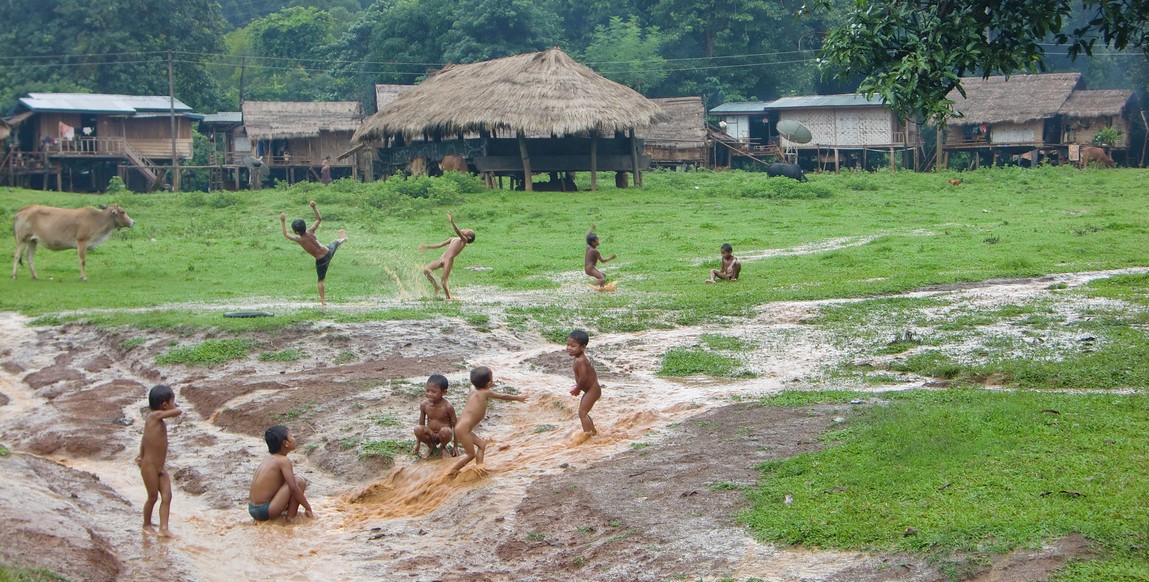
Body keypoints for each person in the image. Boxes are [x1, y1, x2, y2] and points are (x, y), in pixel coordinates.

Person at [448, 366, 527, 478]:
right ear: (489, 382)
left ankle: (480, 468)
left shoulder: (472, 388)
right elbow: (503, 396)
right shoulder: (486, 392)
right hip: (463, 430)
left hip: (463, 428)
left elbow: (473, 385)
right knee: (470, 454)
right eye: (491, 379)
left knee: (482, 444)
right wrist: (518, 398)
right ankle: (452, 471)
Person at [280, 200, 347, 306]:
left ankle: (323, 301)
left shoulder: (299, 240)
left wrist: (283, 220)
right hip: (327, 251)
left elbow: (285, 234)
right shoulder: (310, 231)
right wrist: (314, 207)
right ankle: (343, 239)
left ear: (296, 231)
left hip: (321, 260)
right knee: (335, 243)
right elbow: (319, 219)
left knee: (320, 281)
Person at [137, 384, 182, 537]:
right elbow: (178, 411)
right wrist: (176, 407)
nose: (174, 404)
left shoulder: (157, 422)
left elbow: (145, 439)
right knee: (152, 497)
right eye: (172, 401)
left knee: (167, 496)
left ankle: (163, 528)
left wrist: (140, 454)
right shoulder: (153, 417)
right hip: (149, 467)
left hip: (160, 468)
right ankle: (147, 524)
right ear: (164, 405)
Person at [249, 425, 314, 523]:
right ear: (285, 443)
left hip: (252, 509)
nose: (294, 438)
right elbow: (294, 488)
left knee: (290, 480)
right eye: (291, 436)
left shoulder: (268, 459)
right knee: (299, 481)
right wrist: (308, 508)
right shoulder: (283, 460)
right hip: (265, 510)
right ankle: (290, 519)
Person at [418, 212, 475, 300]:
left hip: (449, 260)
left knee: (444, 279)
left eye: (467, 229)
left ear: (469, 237)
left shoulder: (464, 240)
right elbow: (440, 244)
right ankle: (436, 287)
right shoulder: (453, 239)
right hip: (442, 258)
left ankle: (449, 298)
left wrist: (452, 222)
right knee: (426, 270)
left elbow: (458, 232)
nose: (465, 228)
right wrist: (426, 246)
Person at [412, 374, 458, 458]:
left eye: (433, 391)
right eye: (427, 390)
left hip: (444, 435)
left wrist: (455, 446)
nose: (429, 394)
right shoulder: (424, 405)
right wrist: (417, 444)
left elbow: (455, 426)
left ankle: (443, 447)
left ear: (444, 392)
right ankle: (431, 446)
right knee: (418, 429)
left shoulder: (447, 407)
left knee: (446, 431)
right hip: (430, 434)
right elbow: (421, 424)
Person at [566, 330, 602, 436]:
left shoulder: (580, 361)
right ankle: (593, 433)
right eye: (568, 345)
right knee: (584, 412)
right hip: (591, 389)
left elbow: (583, 378)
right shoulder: (579, 358)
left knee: (582, 413)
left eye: (573, 346)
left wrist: (577, 388)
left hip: (593, 390)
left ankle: (588, 436)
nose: (569, 348)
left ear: (582, 347)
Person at [584, 224, 616, 288]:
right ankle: (591, 284)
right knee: (602, 279)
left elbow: (587, 236)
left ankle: (602, 288)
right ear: (593, 242)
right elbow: (602, 261)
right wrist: (611, 257)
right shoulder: (595, 251)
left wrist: (591, 228)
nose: (599, 241)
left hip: (587, 268)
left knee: (603, 275)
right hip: (590, 269)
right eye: (597, 240)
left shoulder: (588, 247)